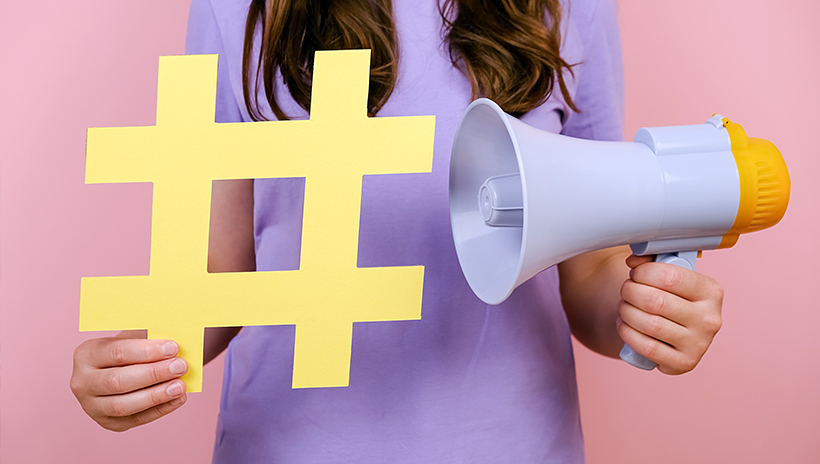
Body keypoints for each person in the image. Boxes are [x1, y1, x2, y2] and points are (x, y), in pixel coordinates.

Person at [70, 0, 724, 461]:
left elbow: (592, 261)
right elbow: (222, 265)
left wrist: (644, 316)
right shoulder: (240, 7)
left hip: (510, 446)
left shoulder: (562, 5)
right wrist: (138, 362)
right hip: (290, 446)